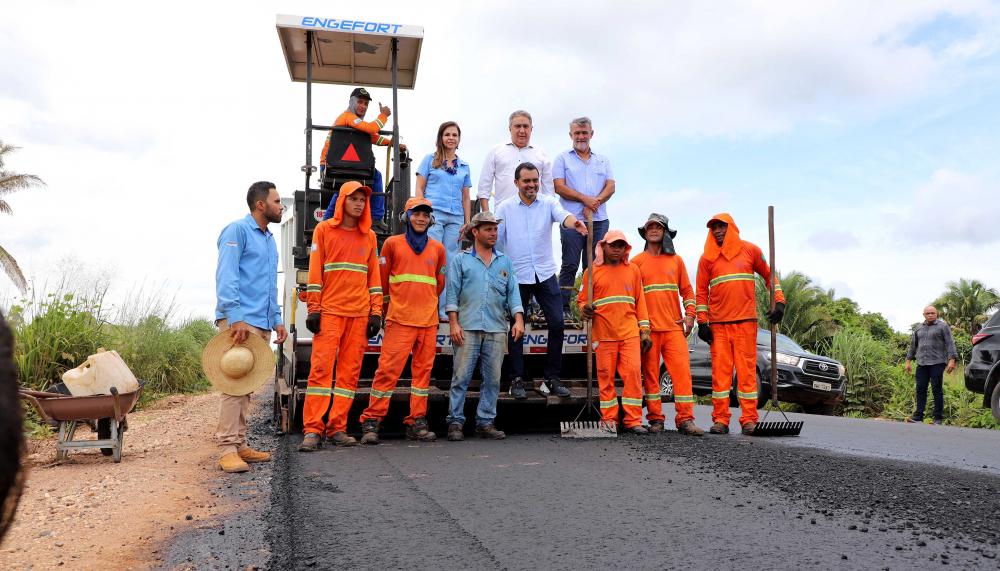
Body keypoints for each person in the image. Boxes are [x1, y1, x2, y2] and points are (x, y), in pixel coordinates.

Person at [299, 181, 383, 451]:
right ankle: (313, 430)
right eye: (353, 198)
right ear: (342, 200)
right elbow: (315, 273)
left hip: (358, 315)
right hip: (330, 313)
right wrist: (314, 309)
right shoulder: (324, 230)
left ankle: (337, 427)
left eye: (362, 200)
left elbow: (374, 277)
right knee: (320, 372)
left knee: (349, 375)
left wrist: (376, 313)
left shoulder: (369, 236)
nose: (359, 203)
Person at [358, 197, 447, 444]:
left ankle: (417, 421)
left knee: (422, 376)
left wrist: (424, 304)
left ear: (431, 220)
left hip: (427, 322)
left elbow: (438, 284)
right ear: (406, 217)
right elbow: (382, 282)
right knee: (387, 372)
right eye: (416, 214)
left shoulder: (438, 249)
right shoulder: (391, 245)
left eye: (425, 215)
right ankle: (372, 420)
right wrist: (385, 312)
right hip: (399, 320)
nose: (421, 218)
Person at [496, 162, 587, 399]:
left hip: (545, 274)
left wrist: (575, 223)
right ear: (516, 183)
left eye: (535, 180)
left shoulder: (548, 203)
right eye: (526, 181)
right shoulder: (504, 208)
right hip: (517, 275)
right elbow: (495, 238)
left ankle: (551, 379)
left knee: (557, 324)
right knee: (516, 328)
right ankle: (516, 379)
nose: (532, 185)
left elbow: (563, 216)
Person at [214, 181, 288, 473]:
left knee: (246, 386)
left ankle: (240, 443)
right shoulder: (237, 231)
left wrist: (277, 319)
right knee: (234, 384)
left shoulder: (269, 240)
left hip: (260, 321)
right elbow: (227, 276)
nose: (281, 207)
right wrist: (235, 316)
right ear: (260, 204)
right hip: (240, 321)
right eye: (277, 201)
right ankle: (227, 449)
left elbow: (270, 285)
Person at [695, 213, 784, 436]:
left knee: (746, 374)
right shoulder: (706, 258)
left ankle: (749, 420)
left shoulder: (751, 250)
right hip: (719, 326)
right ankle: (720, 420)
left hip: (745, 323)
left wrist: (779, 301)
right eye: (714, 227)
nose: (717, 231)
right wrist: (702, 322)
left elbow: (769, 275)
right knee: (720, 376)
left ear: (732, 227)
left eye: (721, 226)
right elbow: (701, 292)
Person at [445, 211, 525, 441]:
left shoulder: (505, 261)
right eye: (488, 229)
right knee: (461, 377)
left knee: (492, 379)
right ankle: (455, 422)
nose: (493, 233)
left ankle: (485, 422)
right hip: (467, 327)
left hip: (497, 328)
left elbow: (513, 293)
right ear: (475, 231)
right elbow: (452, 294)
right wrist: (453, 324)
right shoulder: (461, 260)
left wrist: (519, 319)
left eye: (495, 229)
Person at [632, 214, 704, 436]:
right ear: (645, 233)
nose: (653, 230)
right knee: (651, 375)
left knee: (682, 375)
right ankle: (656, 419)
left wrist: (690, 316)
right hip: (649, 330)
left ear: (665, 232)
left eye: (658, 227)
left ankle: (685, 420)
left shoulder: (676, 260)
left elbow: (687, 291)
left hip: (674, 328)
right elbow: (632, 297)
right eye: (650, 227)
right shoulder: (636, 262)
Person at [578, 230, 652, 434]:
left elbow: (640, 302)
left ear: (625, 249)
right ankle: (609, 420)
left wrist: (645, 330)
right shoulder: (591, 272)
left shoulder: (633, 270)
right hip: (603, 334)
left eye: (621, 246)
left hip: (629, 333)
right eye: (613, 245)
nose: (617, 249)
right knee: (606, 378)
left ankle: (633, 420)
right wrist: (585, 309)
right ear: (603, 246)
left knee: (633, 375)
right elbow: (582, 301)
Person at [553, 117, 615, 321]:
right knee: (570, 264)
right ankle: (563, 307)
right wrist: (584, 199)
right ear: (571, 135)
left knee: (594, 265)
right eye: (577, 133)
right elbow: (559, 187)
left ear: (591, 134)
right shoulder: (562, 159)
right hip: (572, 220)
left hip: (598, 221)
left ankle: (592, 306)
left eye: (584, 133)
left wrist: (595, 202)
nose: (581, 136)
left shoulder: (603, 160)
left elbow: (610, 186)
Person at [319, 87, 403, 233]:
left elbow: (372, 137)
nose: (363, 106)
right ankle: (376, 218)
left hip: (342, 165)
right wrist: (383, 116)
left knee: (342, 189)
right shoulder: (348, 117)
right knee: (375, 176)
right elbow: (371, 129)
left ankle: (326, 222)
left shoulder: (355, 123)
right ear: (351, 102)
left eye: (366, 104)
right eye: (360, 102)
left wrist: (392, 143)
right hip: (331, 165)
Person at [415, 121, 472, 320]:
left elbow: (466, 196)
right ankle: (428, 305)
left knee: (450, 263)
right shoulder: (429, 160)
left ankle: (444, 309)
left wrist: (467, 221)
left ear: (459, 139)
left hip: (455, 217)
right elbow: (419, 187)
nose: (451, 138)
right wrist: (421, 211)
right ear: (441, 137)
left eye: (454, 135)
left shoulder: (464, 166)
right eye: (447, 134)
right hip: (434, 215)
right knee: (432, 258)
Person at [477, 110, 554, 211]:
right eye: (518, 126)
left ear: (531, 129)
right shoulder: (496, 152)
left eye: (525, 126)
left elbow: (549, 190)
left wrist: (549, 214)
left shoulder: (541, 154)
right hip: (503, 214)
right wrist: (487, 215)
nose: (522, 130)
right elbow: (484, 187)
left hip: (536, 213)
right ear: (510, 128)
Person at [904, 305, 958, 425]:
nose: (930, 315)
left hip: (937, 362)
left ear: (936, 314)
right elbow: (913, 346)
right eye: (928, 313)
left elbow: (950, 343)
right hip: (922, 363)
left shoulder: (943, 326)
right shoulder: (918, 328)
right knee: (920, 389)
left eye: (932, 313)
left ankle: (938, 417)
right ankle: (918, 416)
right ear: (924, 315)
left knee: (936, 389)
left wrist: (952, 360)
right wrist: (908, 361)